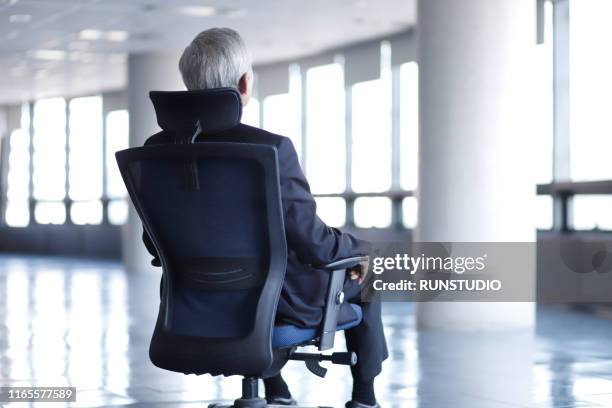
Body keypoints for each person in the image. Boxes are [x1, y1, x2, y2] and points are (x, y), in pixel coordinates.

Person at [142, 27, 388, 408]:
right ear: (244, 83)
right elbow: (316, 245)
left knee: (265, 275)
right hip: (276, 302)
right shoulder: (268, 148)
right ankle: (365, 398)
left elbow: (152, 244)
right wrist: (363, 249)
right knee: (368, 277)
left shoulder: (157, 154)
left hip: (191, 304)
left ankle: (276, 389)